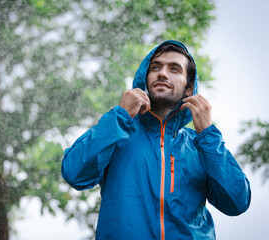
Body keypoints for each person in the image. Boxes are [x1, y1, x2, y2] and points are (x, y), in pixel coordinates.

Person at [61, 40, 251, 239]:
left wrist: (209, 135)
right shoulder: (117, 132)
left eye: (175, 69)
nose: (163, 73)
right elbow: (74, 174)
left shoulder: (201, 145)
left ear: (189, 88)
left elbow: (237, 202)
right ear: (145, 79)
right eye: (156, 67)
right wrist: (120, 116)